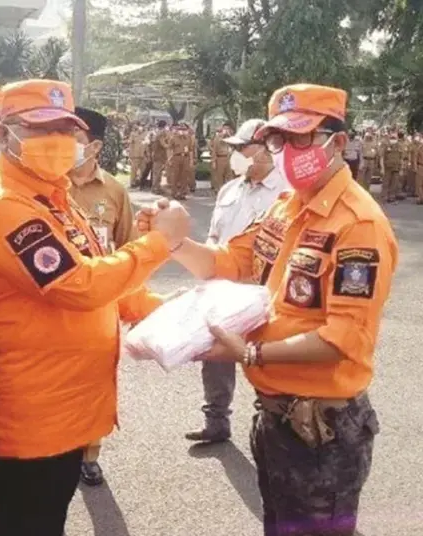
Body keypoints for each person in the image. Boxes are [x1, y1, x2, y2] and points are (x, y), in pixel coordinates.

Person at [140, 84, 398, 536]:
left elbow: (344, 338)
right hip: (277, 417)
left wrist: (252, 353)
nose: (286, 150)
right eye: (278, 140)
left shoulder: (359, 224)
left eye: (302, 138)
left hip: (323, 428)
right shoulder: (286, 209)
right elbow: (232, 263)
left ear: (337, 142)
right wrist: (174, 241)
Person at [0, 79, 190, 536]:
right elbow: (79, 285)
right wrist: (160, 243)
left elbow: (97, 269)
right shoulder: (5, 205)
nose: (57, 142)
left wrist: (161, 309)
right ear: (4, 135)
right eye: (41, 130)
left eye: (66, 130)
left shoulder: (53, 196)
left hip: (60, 417)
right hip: (26, 425)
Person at [186, 118, 290, 444]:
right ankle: (216, 420)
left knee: (264, 358)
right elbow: (215, 236)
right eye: (234, 150)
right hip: (224, 285)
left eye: (242, 148)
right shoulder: (230, 189)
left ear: (267, 150)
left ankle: (275, 426)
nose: (236, 155)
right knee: (216, 356)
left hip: (263, 291)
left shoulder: (287, 194)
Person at [67, 106, 139, 486]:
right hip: (57, 301)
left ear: (93, 145)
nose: (64, 146)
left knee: (97, 382)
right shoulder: (47, 185)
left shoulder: (113, 191)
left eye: (73, 140)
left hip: (101, 306)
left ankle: (89, 453)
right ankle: (58, 448)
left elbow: (129, 246)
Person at [167, 124, 194, 200]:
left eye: (184, 130)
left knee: (184, 176)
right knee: (175, 175)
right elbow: (169, 149)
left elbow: (191, 150)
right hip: (176, 157)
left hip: (185, 157)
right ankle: (174, 192)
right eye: (180, 130)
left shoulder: (188, 138)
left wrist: (191, 160)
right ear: (178, 131)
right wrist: (169, 159)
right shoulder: (173, 138)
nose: (182, 131)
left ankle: (182, 193)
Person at [379, 131, 403, 203]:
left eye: (394, 138)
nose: (393, 139)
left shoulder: (399, 146)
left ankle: (391, 196)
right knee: (386, 182)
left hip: (396, 167)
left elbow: (401, 158)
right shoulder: (386, 145)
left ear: (397, 138)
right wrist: (382, 168)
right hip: (387, 167)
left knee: (394, 183)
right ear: (389, 138)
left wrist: (401, 168)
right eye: (392, 137)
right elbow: (382, 157)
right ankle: (384, 197)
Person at [210, 124, 234, 191]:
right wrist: (214, 161)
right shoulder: (217, 139)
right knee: (219, 176)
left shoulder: (230, 138)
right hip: (220, 158)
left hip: (228, 158)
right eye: (224, 129)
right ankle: (219, 189)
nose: (226, 131)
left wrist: (229, 135)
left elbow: (234, 145)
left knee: (229, 175)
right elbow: (214, 151)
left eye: (227, 129)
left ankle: (228, 190)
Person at [151, 120, 170, 194]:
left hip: (158, 155)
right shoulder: (161, 134)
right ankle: (155, 188)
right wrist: (171, 145)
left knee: (158, 172)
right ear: (164, 126)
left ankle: (157, 187)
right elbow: (164, 145)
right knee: (157, 173)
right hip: (159, 156)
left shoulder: (158, 133)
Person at [128, 124, 148, 188]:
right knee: (134, 170)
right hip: (135, 155)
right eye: (140, 126)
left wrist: (148, 154)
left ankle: (141, 183)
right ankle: (132, 183)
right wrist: (130, 155)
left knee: (143, 170)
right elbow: (131, 144)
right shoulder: (133, 134)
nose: (141, 128)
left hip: (143, 155)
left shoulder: (145, 134)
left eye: (142, 126)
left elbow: (147, 145)